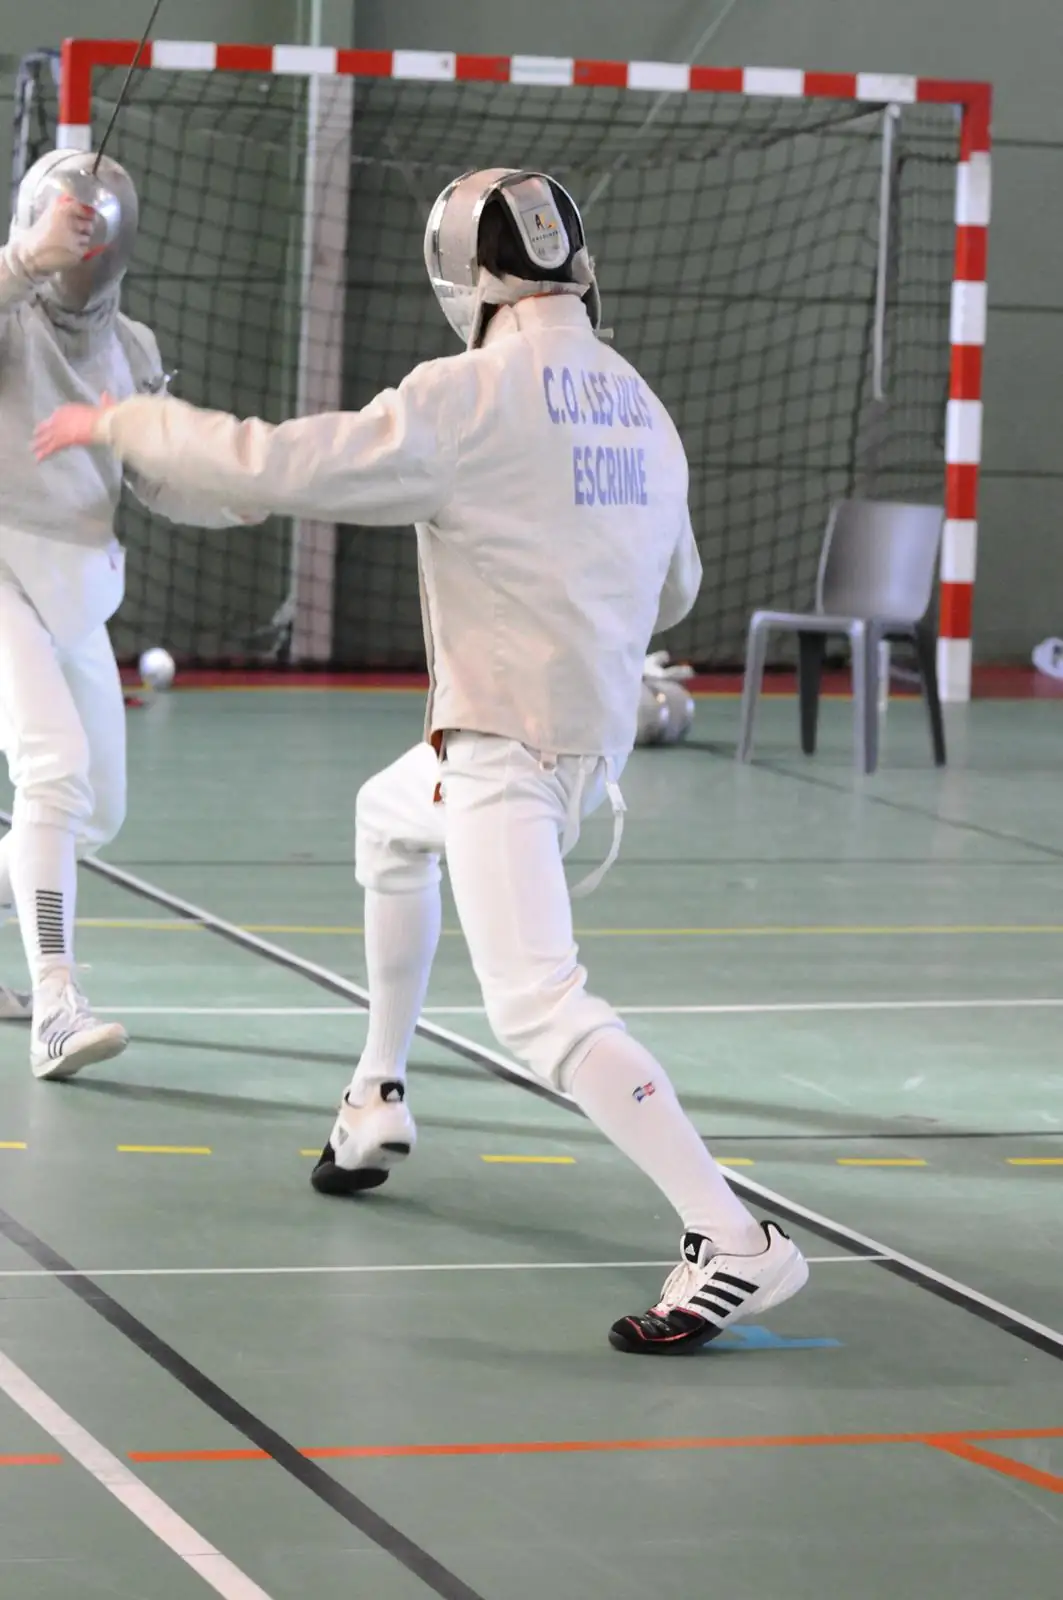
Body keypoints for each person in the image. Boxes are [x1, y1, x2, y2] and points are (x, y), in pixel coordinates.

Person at [36, 167, 808, 1350]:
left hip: (507, 747)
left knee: (538, 1006)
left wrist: (122, 420)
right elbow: (675, 588)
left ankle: (732, 1236)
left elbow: (277, 463)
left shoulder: (467, 397)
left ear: (463, 274)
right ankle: (376, 1094)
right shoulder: (637, 403)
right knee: (388, 823)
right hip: (580, 739)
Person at [2, 149, 255, 1079]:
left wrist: (241, 493)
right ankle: (56, 1002)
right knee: (55, 770)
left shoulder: (131, 347)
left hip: (73, 588)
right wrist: (22, 261)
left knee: (96, 811)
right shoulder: (11, 317)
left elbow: (155, 476)